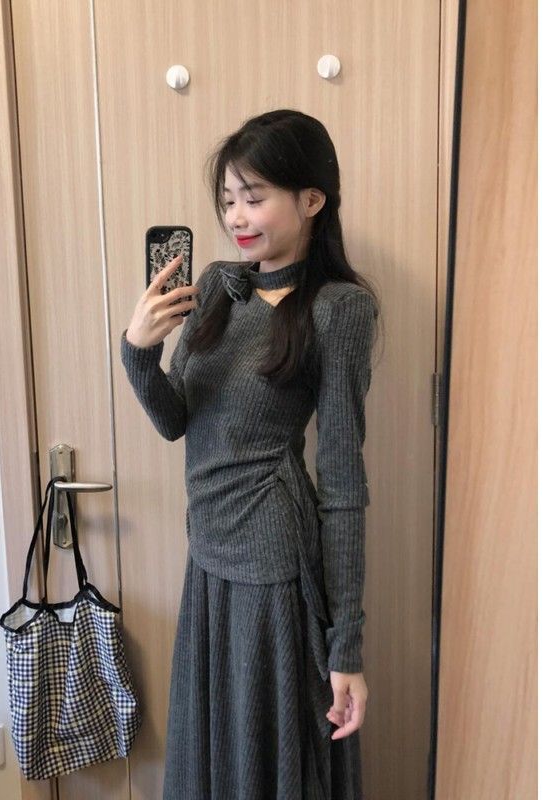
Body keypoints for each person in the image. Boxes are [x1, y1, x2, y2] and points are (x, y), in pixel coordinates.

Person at [120, 109, 381, 799]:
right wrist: (139, 349)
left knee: (265, 758)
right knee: (213, 751)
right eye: (228, 199)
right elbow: (176, 419)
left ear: (312, 199)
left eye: (254, 196)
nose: (237, 216)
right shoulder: (215, 286)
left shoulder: (339, 309)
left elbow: (343, 483)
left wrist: (347, 646)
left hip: (272, 565)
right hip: (207, 554)